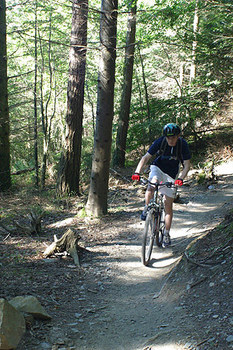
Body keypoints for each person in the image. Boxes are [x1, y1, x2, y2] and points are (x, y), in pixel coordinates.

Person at [132, 123, 191, 248]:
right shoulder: (160, 142)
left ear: (178, 136)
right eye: (168, 137)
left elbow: (186, 165)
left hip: (172, 174)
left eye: (173, 137)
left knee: (168, 205)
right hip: (157, 167)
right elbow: (146, 157)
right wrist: (137, 172)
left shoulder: (183, 145)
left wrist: (180, 178)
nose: (170, 140)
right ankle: (147, 208)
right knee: (152, 184)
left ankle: (166, 233)